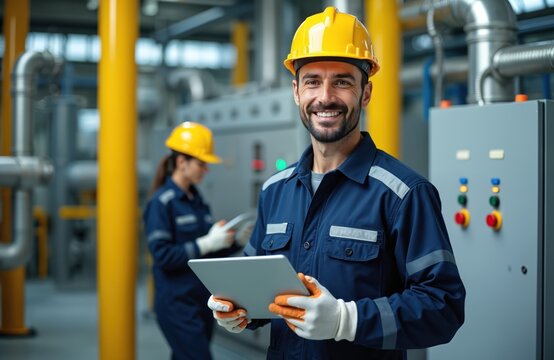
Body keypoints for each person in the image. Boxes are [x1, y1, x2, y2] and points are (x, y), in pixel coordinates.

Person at [207, 7, 466, 360]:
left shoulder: (404, 194)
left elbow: (443, 307)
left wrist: (348, 320)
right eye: (313, 81)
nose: (325, 97)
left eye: (342, 81)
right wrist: (238, 310)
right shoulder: (275, 191)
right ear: (296, 91)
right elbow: (258, 287)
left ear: (366, 93)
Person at [143, 121, 250, 360]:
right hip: (176, 302)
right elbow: (163, 256)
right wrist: (207, 242)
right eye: (202, 164)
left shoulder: (196, 199)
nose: (206, 170)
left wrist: (231, 242)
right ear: (182, 162)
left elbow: (206, 255)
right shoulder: (162, 203)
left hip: (200, 298)